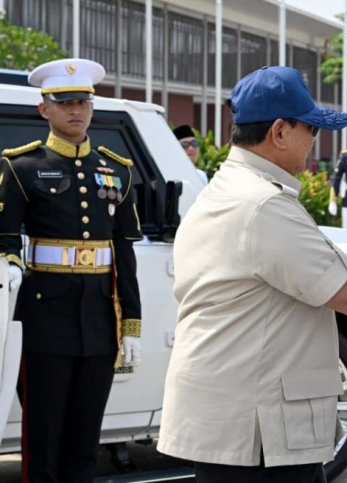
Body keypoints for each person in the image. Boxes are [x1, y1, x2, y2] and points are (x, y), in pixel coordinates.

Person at [156, 66, 347, 482]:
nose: (315, 141)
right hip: (256, 428)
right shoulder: (263, 204)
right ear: (280, 132)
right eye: (311, 130)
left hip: (229, 416)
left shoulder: (222, 190)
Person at [0, 58, 143, 482]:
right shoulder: (21, 167)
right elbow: (4, 237)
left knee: (85, 444)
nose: (75, 110)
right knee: (43, 441)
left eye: (82, 102)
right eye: (64, 103)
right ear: (45, 109)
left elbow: (124, 252)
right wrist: (9, 266)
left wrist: (130, 324)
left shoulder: (117, 170)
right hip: (44, 319)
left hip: (98, 320)